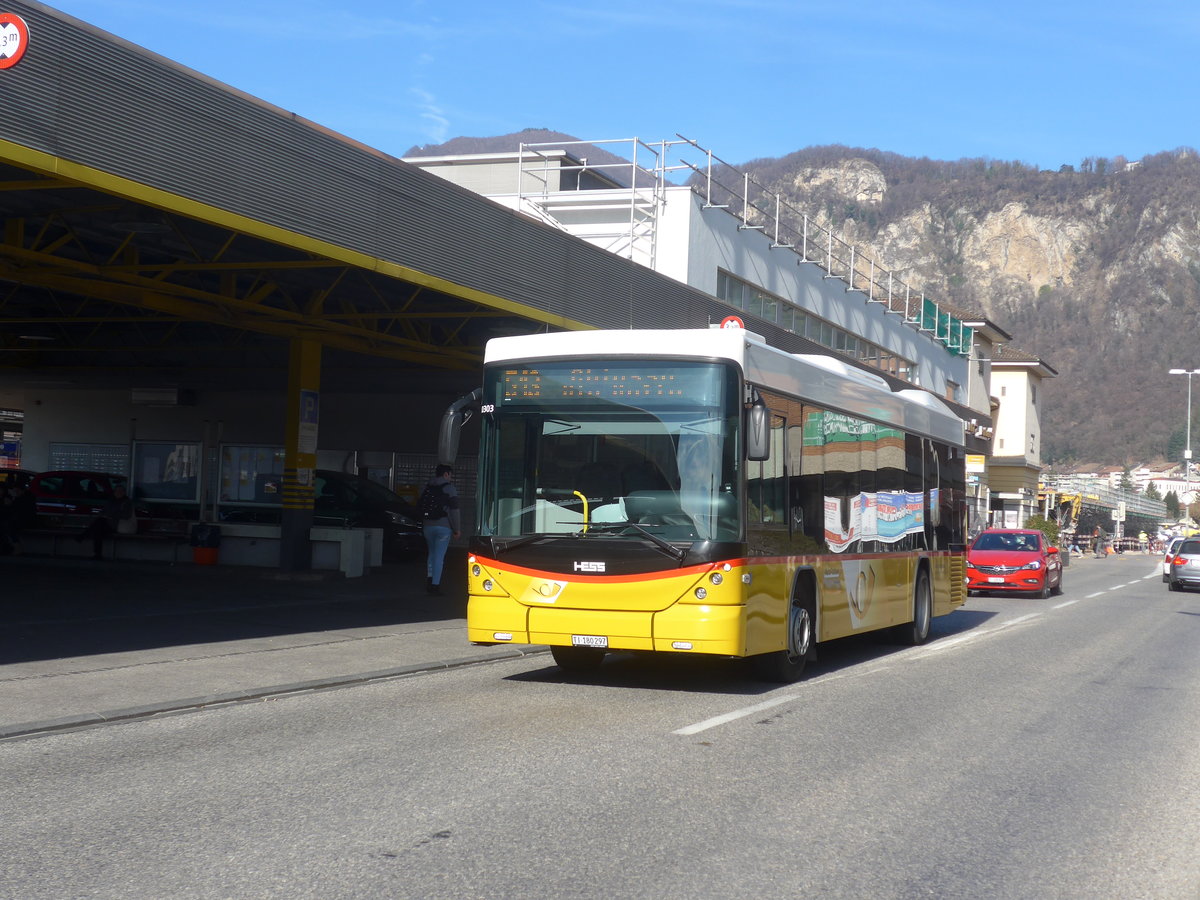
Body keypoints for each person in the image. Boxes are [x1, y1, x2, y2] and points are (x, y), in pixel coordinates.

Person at [420, 464, 460, 595]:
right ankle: (435, 586)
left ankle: (429, 579)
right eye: (450, 475)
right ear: (446, 474)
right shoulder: (450, 488)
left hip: (427, 526)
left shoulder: (428, 486)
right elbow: (454, 511)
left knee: (431, 553)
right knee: (439, 556)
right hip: (443, 527)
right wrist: (457, 529)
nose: (451, 477)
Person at [78, 484, 135, 560]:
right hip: (107, 524)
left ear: (124, 492)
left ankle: (84, 536)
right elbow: (103, 511)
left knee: (99, 524)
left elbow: (126, 515)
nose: (118, 493)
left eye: (120, 491)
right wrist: (107, 515)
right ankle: (97, 554)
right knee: (98, 529)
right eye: (117, 491)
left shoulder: (126, 502)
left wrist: (110, 516)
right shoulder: (111, 501)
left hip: (116, 525)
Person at [1, 482, 36, 555]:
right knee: (6, 525)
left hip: (24, 521)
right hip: (20, 519)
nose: (16, 493)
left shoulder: (24, 499)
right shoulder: (21, 497)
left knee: (7, 525)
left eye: (17, 491)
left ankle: (14, 546)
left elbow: (16, 511)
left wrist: (9, 504)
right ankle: (9, 547)